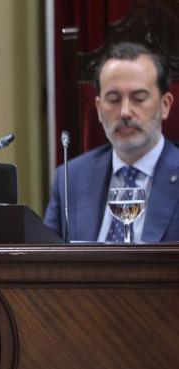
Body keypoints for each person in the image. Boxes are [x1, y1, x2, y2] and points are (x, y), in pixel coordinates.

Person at [45, 42, 179, 242]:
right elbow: (45, 255)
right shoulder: (70, 178)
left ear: (165, 105)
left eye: (139, 98)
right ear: (99, 109)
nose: (125, 112)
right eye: (114, 99)